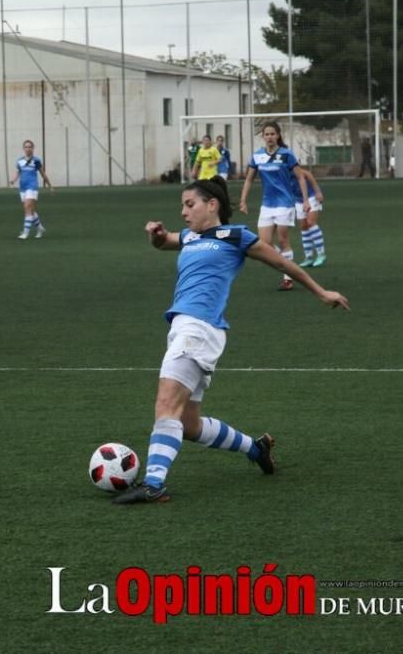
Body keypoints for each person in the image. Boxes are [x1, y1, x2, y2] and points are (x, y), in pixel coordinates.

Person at [113, 177, 349, 505]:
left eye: (189, 204)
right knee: (188, 423)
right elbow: (164, 242)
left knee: (166, 405)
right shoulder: (191, 236)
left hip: (198, 329)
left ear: (212, 205)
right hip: (187, 329)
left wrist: (322, 292)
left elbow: (282, 263)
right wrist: (155, 236)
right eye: (182, 205)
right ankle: (256, 448)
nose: (183, 211)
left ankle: (153, 483)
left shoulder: (236, 236)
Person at [239, 121, 310, 291]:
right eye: (266, 134)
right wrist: (243, 200)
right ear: (263, 137)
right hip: (267, 205)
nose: (269, 137)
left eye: (272, 134)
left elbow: (301, 177)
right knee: (264, 243)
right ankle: (286, 262)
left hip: (285, 204)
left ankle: (288, 278)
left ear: (278, 135)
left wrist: (306, 200)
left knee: (283, 240)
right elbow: (249, 179)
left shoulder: (287, 154)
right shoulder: (257, 156)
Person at [8, 139, 53, 239]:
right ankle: (40, 228)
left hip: (32, 186)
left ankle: (25, 232)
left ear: (33, 148)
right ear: (23, 148)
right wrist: (13, 180)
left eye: (30, 147)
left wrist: (50, 186)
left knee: (28, 207)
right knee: (30, 210)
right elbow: (18, 172)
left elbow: (43, 174)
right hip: (23, 187)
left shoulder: (36, 160)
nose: (28, 149)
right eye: (26, 147)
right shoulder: (19, 161)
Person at [294, 166, 327, 267]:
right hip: (297, 199)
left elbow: (307, 174)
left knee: (311, 223)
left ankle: (321, 254)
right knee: (304, 226)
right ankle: (308, 257)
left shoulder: (291, 167)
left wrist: (318, 191)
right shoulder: (280, 173)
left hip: (311, 196)